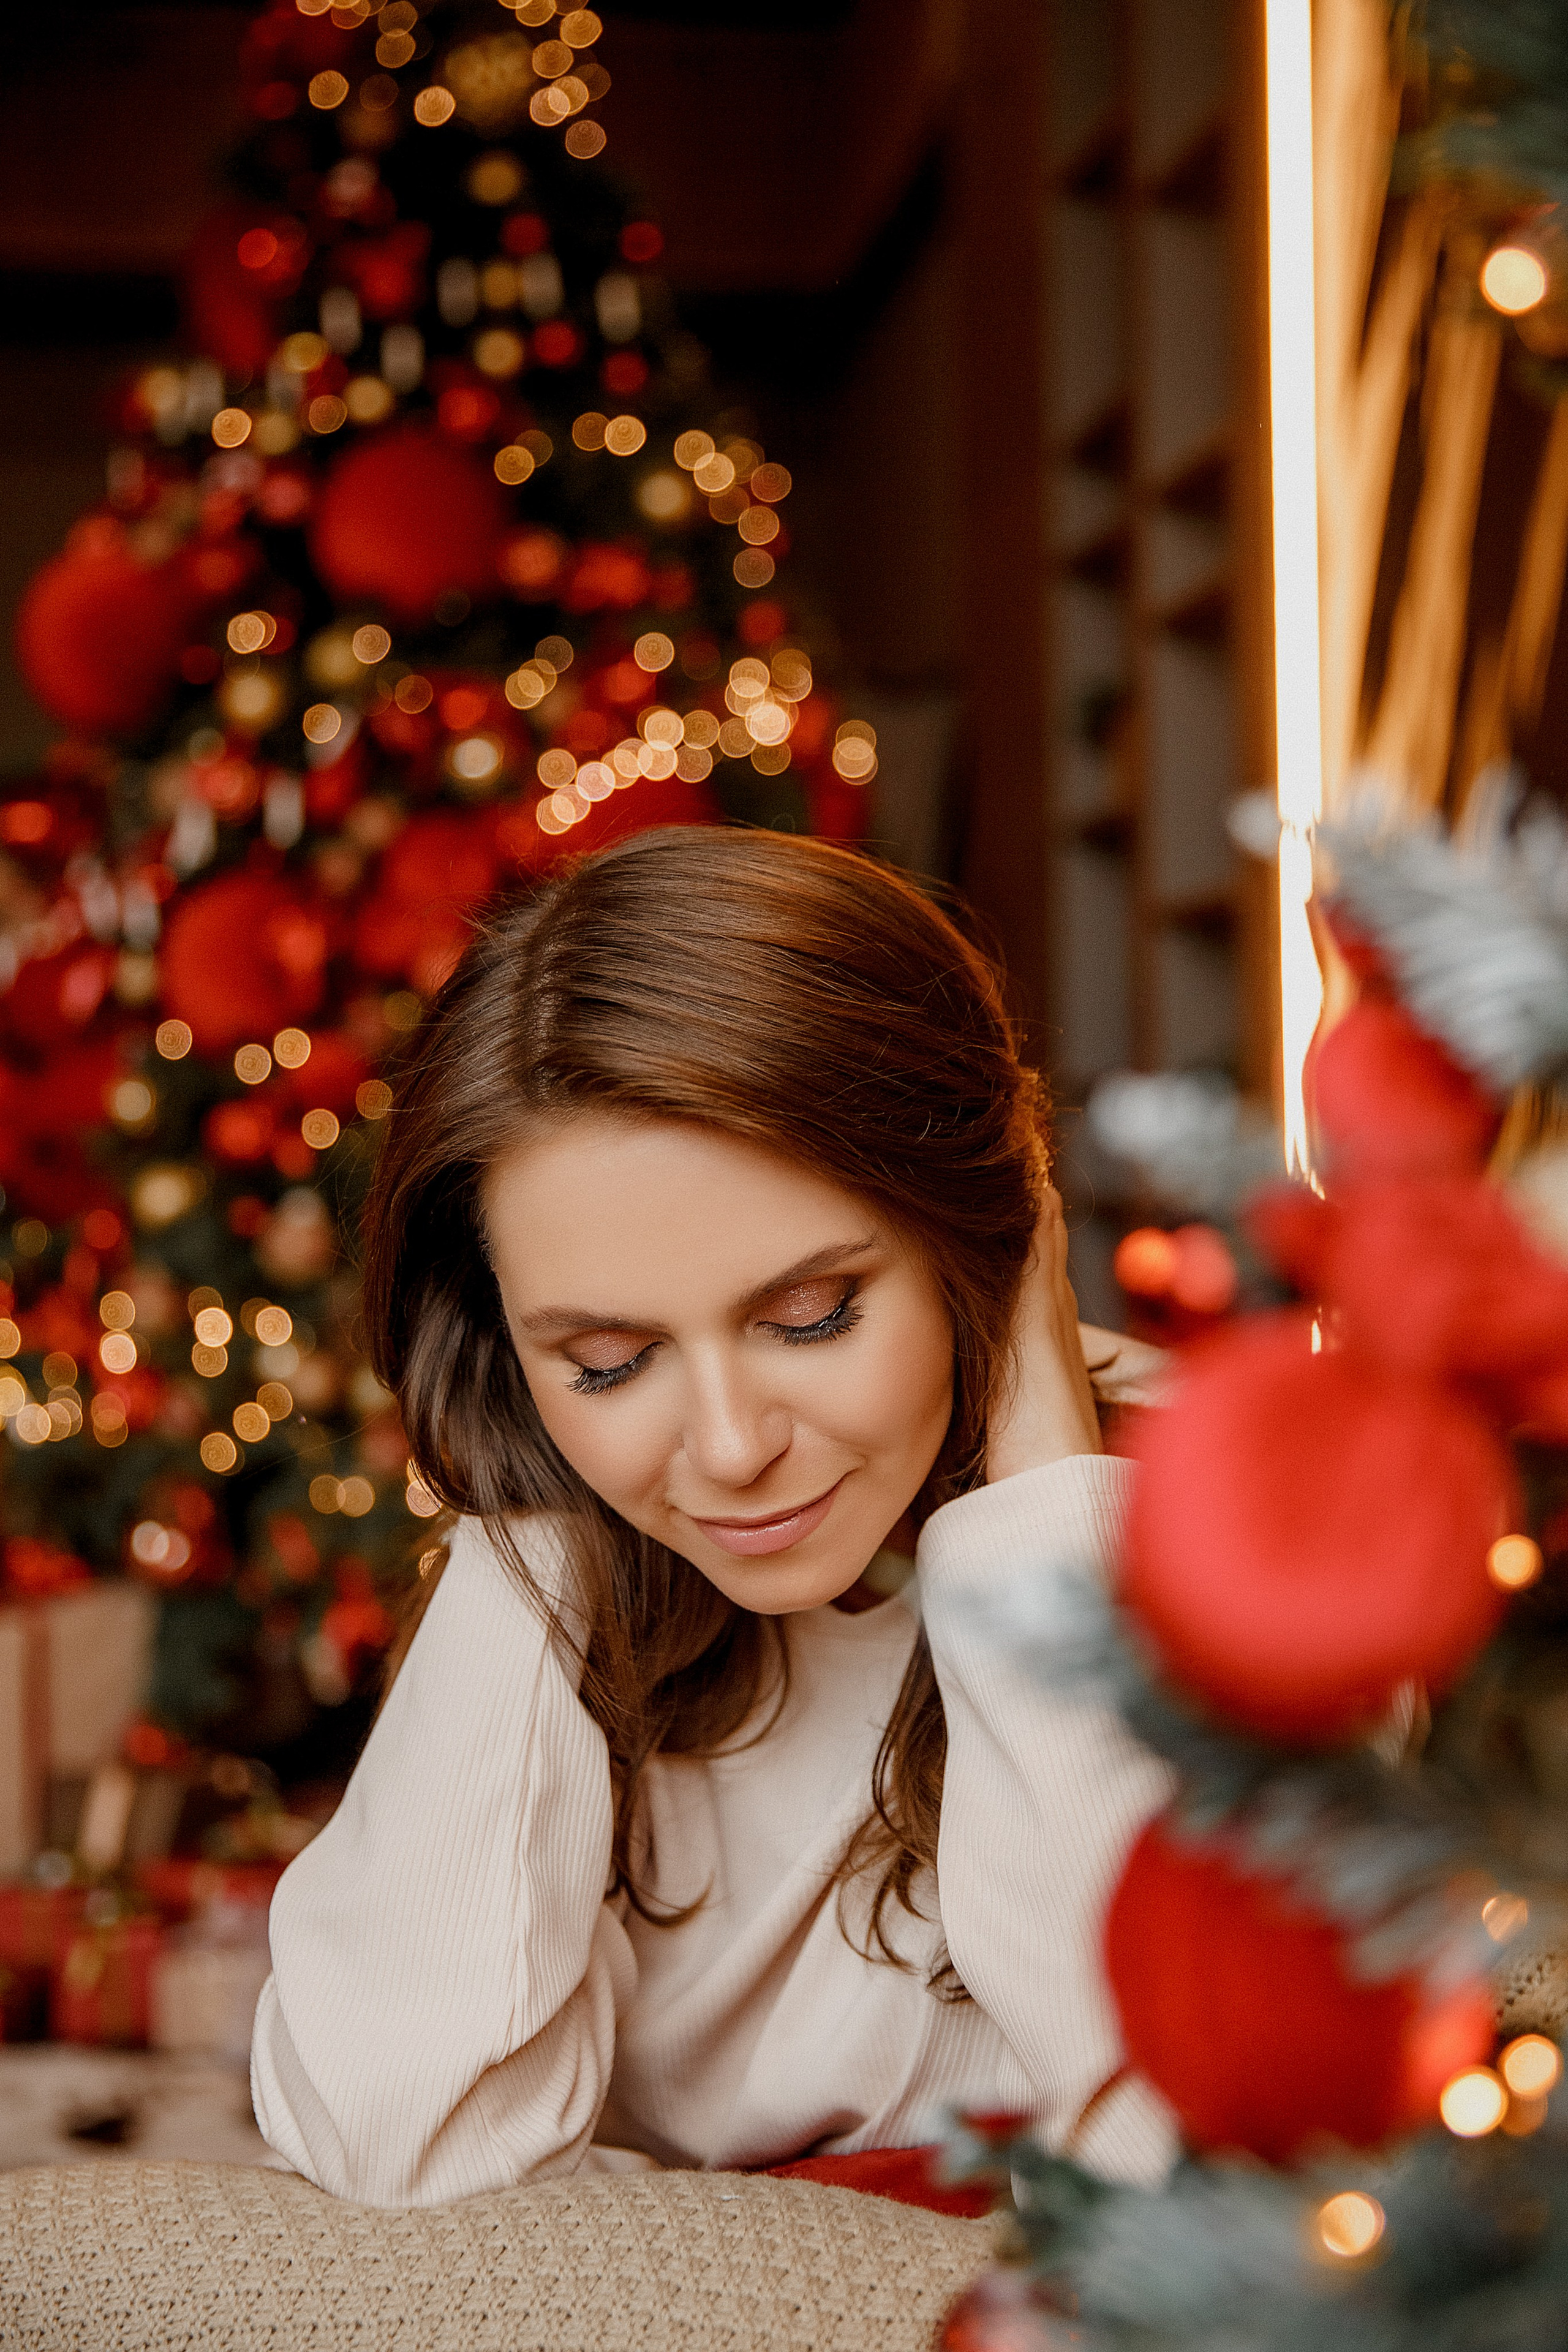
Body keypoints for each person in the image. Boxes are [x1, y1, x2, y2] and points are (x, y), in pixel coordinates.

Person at [251, 827, 1174, 2208]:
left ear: (975, 1242)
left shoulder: (1222, 1510)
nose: (733, 1450)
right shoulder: (568, 1549)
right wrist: (543, 1501)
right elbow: (398, 2132)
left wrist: (1041, 1470)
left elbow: (1188, 2140)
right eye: (608, 1359)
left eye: (811, 1317)